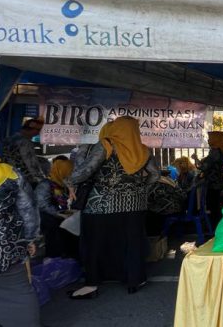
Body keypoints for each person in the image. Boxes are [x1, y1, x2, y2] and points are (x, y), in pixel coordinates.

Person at [66, 116, 160, 299]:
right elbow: (155, 175)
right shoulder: (143, 150)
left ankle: (91, 285)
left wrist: (68, 182)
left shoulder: (106, 144)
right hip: (134, 206)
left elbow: (86, 170)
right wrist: (140, 189)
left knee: (93, 243)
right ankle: (135, 280)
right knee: (132, 244)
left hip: (101, 205)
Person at [0, 144, 41, 327]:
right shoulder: (9, 173)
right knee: (18, 295)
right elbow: (28, 211)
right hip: (5, 251)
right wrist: (29, 239)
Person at [34, 157, 79, 258]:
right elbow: (42, 205)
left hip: (57, 214)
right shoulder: (45, 184)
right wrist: (58, 213)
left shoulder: (63, 184)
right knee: (54, 226)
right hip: (44, 216)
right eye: (67, 172)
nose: (69, 175)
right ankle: (55, 256)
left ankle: (69, 254)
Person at [193, 131, 223, 226]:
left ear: (216, 139)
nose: (208, 140)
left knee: (213, 207)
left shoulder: (216, 152)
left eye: (210, 138)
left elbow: (204, 167)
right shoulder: (219, 151)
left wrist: (196, 159)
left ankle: (215, 227)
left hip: (214, 184)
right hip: (217, 183)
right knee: (215, 205)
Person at [2, 118, 46, 187]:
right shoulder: (25, 142)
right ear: (30, 129)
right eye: (38, 130)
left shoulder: (9, 139)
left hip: (10, 176)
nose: (39, 132)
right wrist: (41, 180)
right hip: (24, 179)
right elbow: (31, 163)